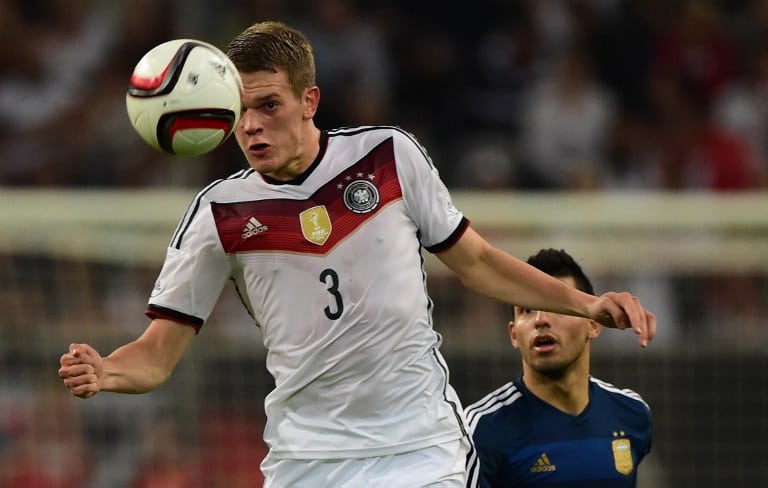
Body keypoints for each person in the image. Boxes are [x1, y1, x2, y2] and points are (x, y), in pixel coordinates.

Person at [58, 21, 656, 487]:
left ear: (309, 99)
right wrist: (108, 370)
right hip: (307, 457)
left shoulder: (388, 158)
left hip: (421, 448)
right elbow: (158, 355)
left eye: (269, 105)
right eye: (238, 111)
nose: (252, 126)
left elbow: (477, 261)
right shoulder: (219, 214)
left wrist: (585, 304)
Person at [464, 248, 652, 487]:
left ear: (593, 325)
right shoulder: (481, 429)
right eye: (528, 310)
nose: (541, 319)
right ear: (513, 334)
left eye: (558, 308)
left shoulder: (632, 413)